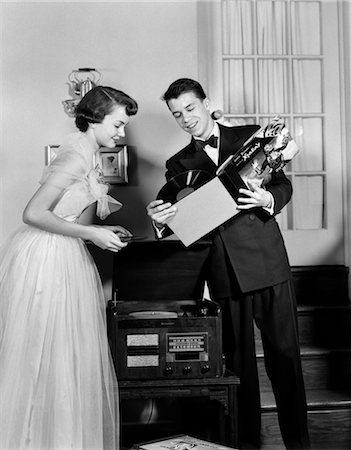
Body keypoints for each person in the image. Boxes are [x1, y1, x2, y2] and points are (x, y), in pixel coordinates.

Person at [146, 78, 310, 449]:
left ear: (207, 103)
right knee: (241, 375)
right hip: (224, 274)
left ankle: (300, 446)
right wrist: (159, 219)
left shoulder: (251, 137)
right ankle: (248, 445)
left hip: (268, 265)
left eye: (190, 108)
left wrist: (268, 197)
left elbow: (283, 185)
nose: (186, 119)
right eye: (177, 114)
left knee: (286, 364)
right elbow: (180, 218)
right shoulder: (177, 164)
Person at [0, 86, 138, 449]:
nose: (121, 133)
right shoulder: (76, 155)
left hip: (67, 255)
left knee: (67, 361)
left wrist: (101, 231)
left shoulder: (91, 155)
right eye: (118, 124)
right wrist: (90, 231)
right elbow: (33, 214)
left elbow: (70, 215)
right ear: (95, 119)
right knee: (43, 358)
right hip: (45, 260)